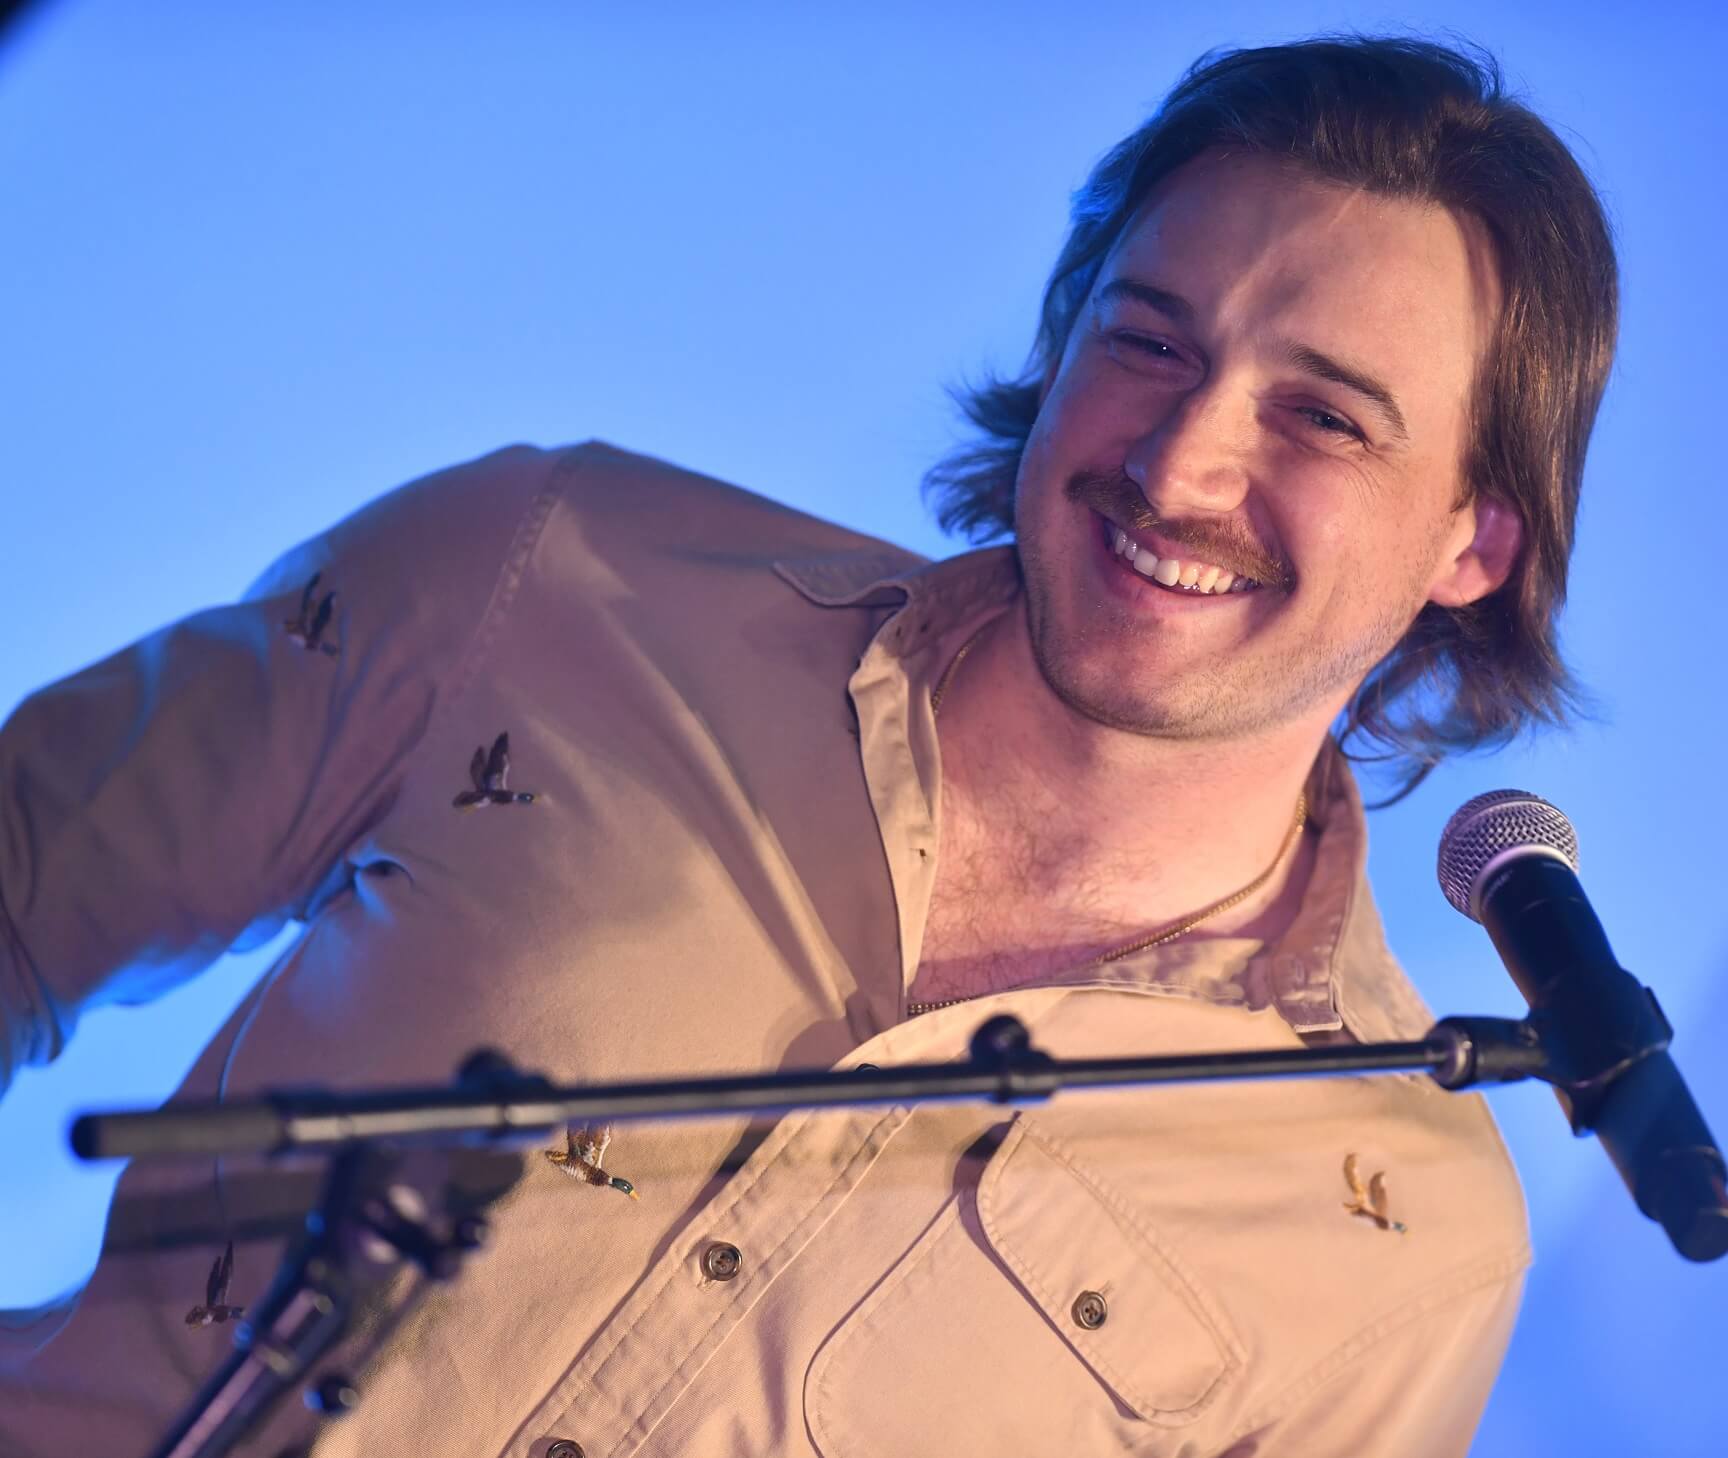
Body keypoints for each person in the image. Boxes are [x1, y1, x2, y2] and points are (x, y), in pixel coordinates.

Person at [0, 33, 1616, 1458]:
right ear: (1061, 344)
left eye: (1323, 416)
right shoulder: (553, 568)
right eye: (1148, 340)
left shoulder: (1402, 1223)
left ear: (1474, 542)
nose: (1184, 458)